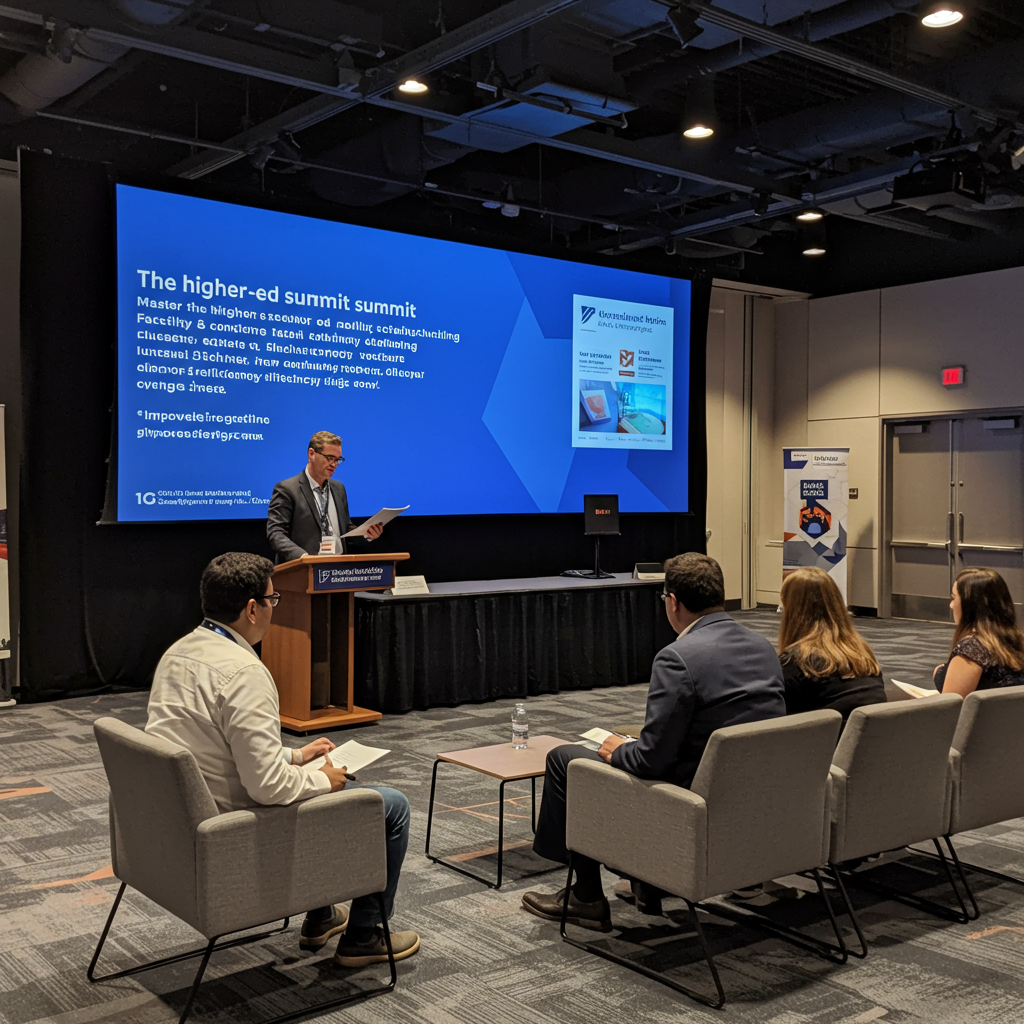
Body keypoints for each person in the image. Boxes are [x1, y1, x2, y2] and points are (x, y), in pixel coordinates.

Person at [145, 551, 419, 967]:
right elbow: (269, 789)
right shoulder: (244, 671)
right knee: (389, 806)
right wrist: (324, 779)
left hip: (182, 820)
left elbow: (215, 742)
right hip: (235, 828)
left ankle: (321, 914)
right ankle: (365, 934)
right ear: (252, 608)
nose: (275, 609)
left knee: (317, 781)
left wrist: (295, 755)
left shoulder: (178, 652)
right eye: (273, 600)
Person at [521, 552, 786, 930]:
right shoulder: (763, 647)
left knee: (567, 758)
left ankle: (586, 897)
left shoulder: (678, 657)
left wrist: (620, 749)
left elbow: (650, 762)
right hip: (753, 801)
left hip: (688, 806)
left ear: (673, 602)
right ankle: (647, 883)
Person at [778, 567, 886, 721]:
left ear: (791, 610)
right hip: (872, 740)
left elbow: (780, 718)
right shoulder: (862, 654)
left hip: (829, 742)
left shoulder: (797, 662)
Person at [267, 430, 383, 563]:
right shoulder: (287, 489)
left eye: (338, 460)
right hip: (304, 569)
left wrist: (366, 534)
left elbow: (345, 528)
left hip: (338, 568)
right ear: (311, 454)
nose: (334, 464)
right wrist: (302, 557)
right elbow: (276, 533)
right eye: (329, 458)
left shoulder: (339, 488)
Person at [933, 567, 1024, 697]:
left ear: (970, 605)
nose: (951, 605)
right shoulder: (1017, 643)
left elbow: (949, 709)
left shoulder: (972, 650)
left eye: (954, 598)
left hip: (982, 717)